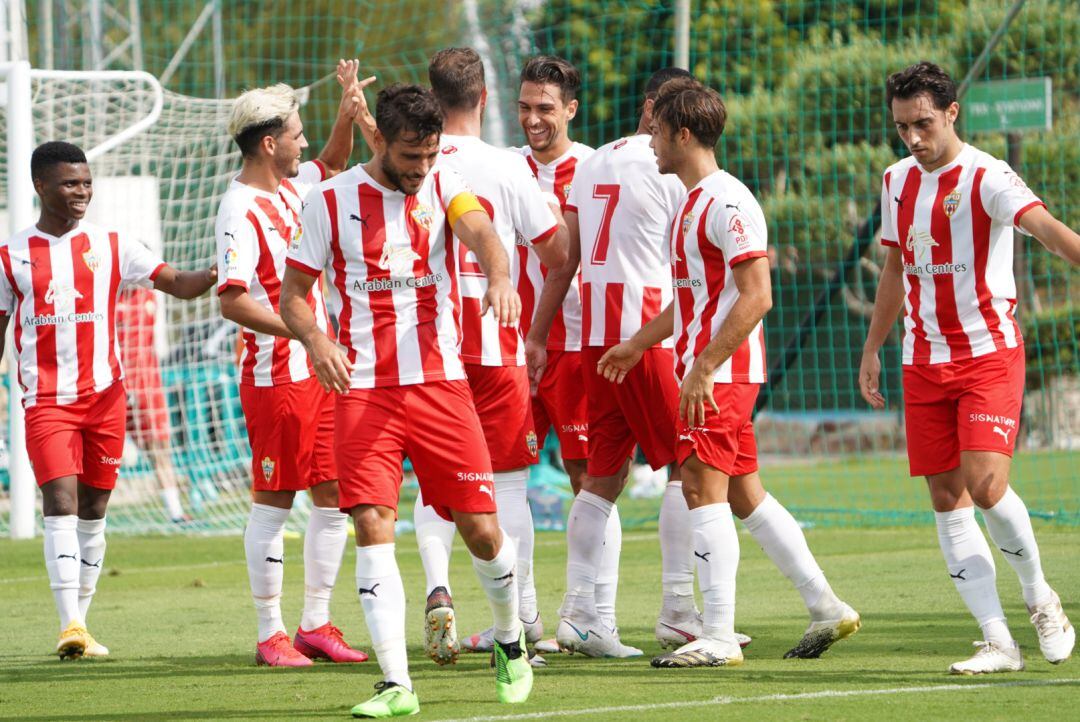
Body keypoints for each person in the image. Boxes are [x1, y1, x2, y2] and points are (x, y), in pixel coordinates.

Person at [281, 83, 533, 717]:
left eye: (429, 155)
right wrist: (316, 340)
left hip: (441, 387)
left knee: (480, 531)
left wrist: (500, 276)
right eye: (409, 157)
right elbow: (292, 296)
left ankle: (510, 642)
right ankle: (396, 683)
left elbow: (480, 232)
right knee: (371, 524)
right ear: (382, 141)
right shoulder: (329, 201)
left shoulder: (447, 183)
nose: (420, 169)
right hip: (363, 392)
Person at [602, 77, 859, 668]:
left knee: (697, 486)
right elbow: (694, 299)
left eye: (658, 132)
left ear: (683, 133)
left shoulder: (728, 200)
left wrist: (705, 368)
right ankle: (825, 606)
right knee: (744, 494)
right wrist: (637, 345)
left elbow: (757, 295)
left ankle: (717, 633)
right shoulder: (691, 202)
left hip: (721, 376)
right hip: (709, 371)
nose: (651, 142)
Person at [859, 61, 1078, 674]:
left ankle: (1042, 601)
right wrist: (874, 347)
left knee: (985, 485)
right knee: (946, 497)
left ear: (952, 112)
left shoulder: (988, 175)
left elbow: (1048, 231)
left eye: (923, 123)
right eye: (902, 126)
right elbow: (896, 270)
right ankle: (996, 640)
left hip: (987, 354)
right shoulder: (895, 180)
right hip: (921, 359)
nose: (912, 138)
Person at [0, 140, 216, 659]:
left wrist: (221, 271)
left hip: (105, 400)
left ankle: (83, 621)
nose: (82, 192)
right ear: (40, 187)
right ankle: (69, 622)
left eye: (87, 183)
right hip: (46, 401)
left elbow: (180, 284)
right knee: (61, 501)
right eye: (70, 183)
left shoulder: (115, 244)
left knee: (95, 509)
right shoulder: (11, 256)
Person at [538, 67, 710, 657]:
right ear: (658, 108)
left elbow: (567, 259)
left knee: (602, 478)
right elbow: (691, 262)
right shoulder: (670, 169)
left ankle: (583, 615)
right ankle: (680, 613)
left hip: (595, 340)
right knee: (688, 469)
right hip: (648, 339)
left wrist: (541, 333)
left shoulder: (591, 163)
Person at [405, 47, 568, 664]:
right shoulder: (506, 166)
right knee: (508, 485)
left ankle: (437, 587)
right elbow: (556, 254)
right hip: (494, 340)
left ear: (432, 95)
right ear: (483, 98)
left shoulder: (410, 161)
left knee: (435, 482)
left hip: (429, 346)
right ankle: (521, 620)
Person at [215, 62, 372, 667]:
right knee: (274, 499)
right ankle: (268, 632)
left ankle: (315, 623)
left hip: (319, 368)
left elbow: (330, 159)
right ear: (269, 143)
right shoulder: (240, 209)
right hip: (275, 374)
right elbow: (232, 300)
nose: (305, 143)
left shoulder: (293, 184)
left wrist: (345, 109)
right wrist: (305, 332)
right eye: (297, 134)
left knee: (334, 492)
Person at [115, 286, 190, 523]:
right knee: (100, 450)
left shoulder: (148, 295)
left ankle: (175, 511)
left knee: (159, 448)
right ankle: (83, 514)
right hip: (115, 381)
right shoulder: (109, 294)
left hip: (147, 381)